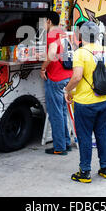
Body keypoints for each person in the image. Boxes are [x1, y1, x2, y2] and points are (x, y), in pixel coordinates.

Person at [63, 21, 106, 183]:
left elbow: (76, 77)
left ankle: (85, 171)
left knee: (85, 136)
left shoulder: (80, 53)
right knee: (102, 134)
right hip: (105, 101)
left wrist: (67, 90)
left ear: (81, 35)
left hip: (85, 103)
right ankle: (105, 168)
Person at [41, 11, 73, 155]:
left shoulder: (51, 35)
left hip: (56, 78)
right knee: (62, 111)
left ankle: (59, 147)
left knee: (56, 113)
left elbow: (52, 54)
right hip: (67, 77)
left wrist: (43, 68)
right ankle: (66, 142)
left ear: (48, 21)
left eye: (43, 21)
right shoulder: (63, 33)